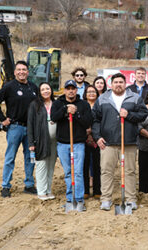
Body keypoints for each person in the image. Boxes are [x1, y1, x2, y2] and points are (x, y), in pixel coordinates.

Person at [92, 73, 148, 211]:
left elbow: (143, 114)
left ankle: (131, 199)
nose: (118, 84)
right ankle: (105, 199)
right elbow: (95, 120)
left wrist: (129, 115)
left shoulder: (134, 98)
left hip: (128, 142)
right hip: (108, 143)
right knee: (106, 171)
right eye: (115, 82)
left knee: (129, 171)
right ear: (111, 84)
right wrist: (97, 137)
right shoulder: (103, 98)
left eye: (121, 82)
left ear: (125, 83)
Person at [0, 61, 38, 198]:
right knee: (10, 157)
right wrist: (2, 119)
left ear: (28, 72)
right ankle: (5, 186)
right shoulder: (9, 87)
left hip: (30, 128)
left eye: (24, 69)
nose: (21, 72)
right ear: (15, 72)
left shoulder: (33, 87)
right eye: (19, 70)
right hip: (15, 127)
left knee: (30, 157)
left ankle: (29, 185)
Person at [51, 80, 93, 211]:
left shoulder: (84, 104)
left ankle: (79, 199)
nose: (71, 91)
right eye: (68, 88)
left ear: (76, 90)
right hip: (63, 144)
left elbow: (87, 122)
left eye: (73, 88)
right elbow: (53, 117)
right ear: (64, 90)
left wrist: (76, 114)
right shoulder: (58, 103)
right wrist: (65, 110)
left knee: (78, 172)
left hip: (78, 143)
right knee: (68, 172)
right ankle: (70, 198)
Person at [27, 82, 57, 201]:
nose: (45, 91)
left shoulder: (55, 104)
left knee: (50, 166)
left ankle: (48, 190)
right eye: (43, 89)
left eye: (47, 89)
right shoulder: (35, 105)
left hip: (54, 141)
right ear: (39, 92)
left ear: (51, 90)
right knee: (41, 165)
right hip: (40, 140)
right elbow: (30, 124)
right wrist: (31, 143)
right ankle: (41, 191)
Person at [83, 85, 101, 199]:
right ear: (85, 94)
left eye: (93, 92)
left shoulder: (100, 105)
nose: (91, 94)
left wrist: (94, 132)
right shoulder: (82, 105)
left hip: (97, 139)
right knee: (84, 165)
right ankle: (85, 190)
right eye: (89, 92)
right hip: (83, 138)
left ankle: (97, 190)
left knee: (97, 165)